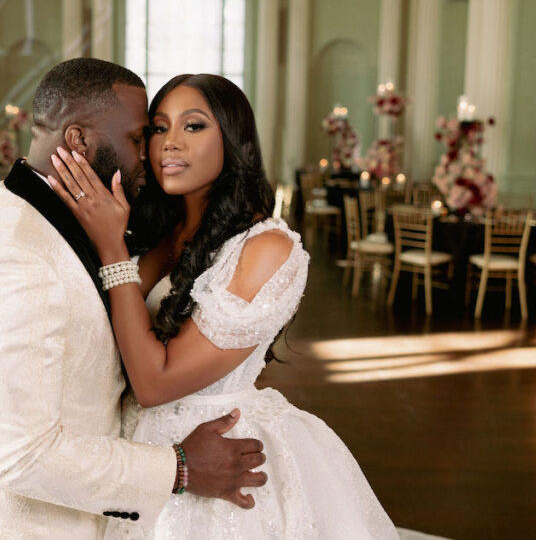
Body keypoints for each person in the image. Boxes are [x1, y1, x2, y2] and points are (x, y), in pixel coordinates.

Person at [0, 59, 268, 540]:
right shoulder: (14, 254)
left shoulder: (63, 216)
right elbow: (19, 453)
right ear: (79, 141)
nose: (152, 153)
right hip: (20, 525)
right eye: (141, 137)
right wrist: (179, 469)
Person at [49, 73, 399, 539]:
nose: (169, 143)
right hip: (139, 456)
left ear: (233, 141)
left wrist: (112, 249)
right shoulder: (159, 234)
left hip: (221, 458)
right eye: (158, 128)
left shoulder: (266, 249)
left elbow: (156, 384)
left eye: (193, 126)